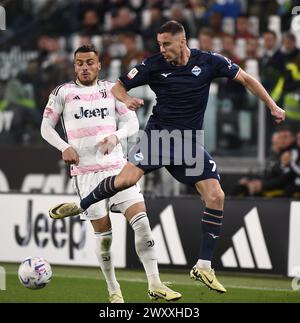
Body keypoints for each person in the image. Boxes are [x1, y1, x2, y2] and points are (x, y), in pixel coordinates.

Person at [50, 21, 285, 294]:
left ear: (182, 41)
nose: (161, 49)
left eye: (166, 44)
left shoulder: (209, 61)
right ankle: (83, 204)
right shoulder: (153, 65)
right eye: (159, 44)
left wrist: (272, 105)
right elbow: (118, 86)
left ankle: (204, 266)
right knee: (126, 180)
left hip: (188, 144)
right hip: (158, 138)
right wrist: (126, 99)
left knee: (216, 195)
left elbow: (245, 79)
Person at [41, 44, 181, 303]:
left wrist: (116, 137)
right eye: (80, 63)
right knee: (104, 237)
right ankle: (114, 290)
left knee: (143, 225)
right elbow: (45, 128)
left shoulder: (112, 90)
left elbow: (131, 122)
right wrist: (64, 146)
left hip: (118, 168)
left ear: (99, 65)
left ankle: (156, 284)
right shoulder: (63, 93)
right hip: (86, 173)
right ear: (75, 66)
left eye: (90, 62)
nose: (85, 67)